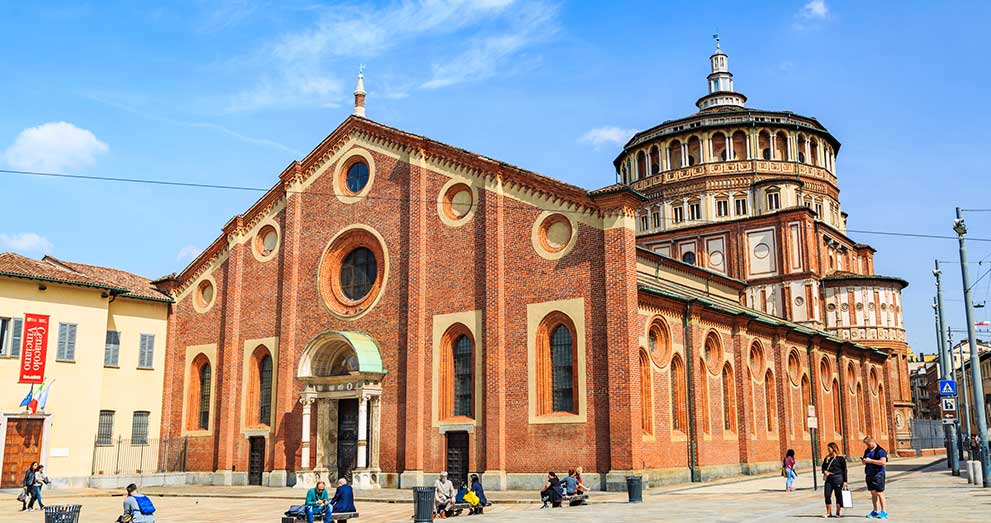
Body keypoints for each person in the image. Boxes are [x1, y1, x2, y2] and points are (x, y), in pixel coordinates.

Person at [862, 436, 888, 519]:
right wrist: (864, 461)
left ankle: (884, 511)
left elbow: (883, 462)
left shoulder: (880, 451)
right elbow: (866, 461)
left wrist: (871, 461)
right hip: (869, 473)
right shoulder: (867, 451)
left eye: (868, 444)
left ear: (873, 442)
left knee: (880, 492)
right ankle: (875, 510)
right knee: (873, 492)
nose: (868, 446)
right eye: (866, 445)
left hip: (878, 474)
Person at [821, 442, 848, 518]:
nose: (828, 450)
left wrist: (845, 481)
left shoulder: (840, 458)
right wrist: (824, 471)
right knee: (827, 495)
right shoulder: (827, 458)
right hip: (829, 479)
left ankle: (838, 512)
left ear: (833, 449)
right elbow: (823, 467)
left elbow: (844, 470)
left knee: (838, 495)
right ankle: (828, 512)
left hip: (838, 478)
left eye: (829, 448)